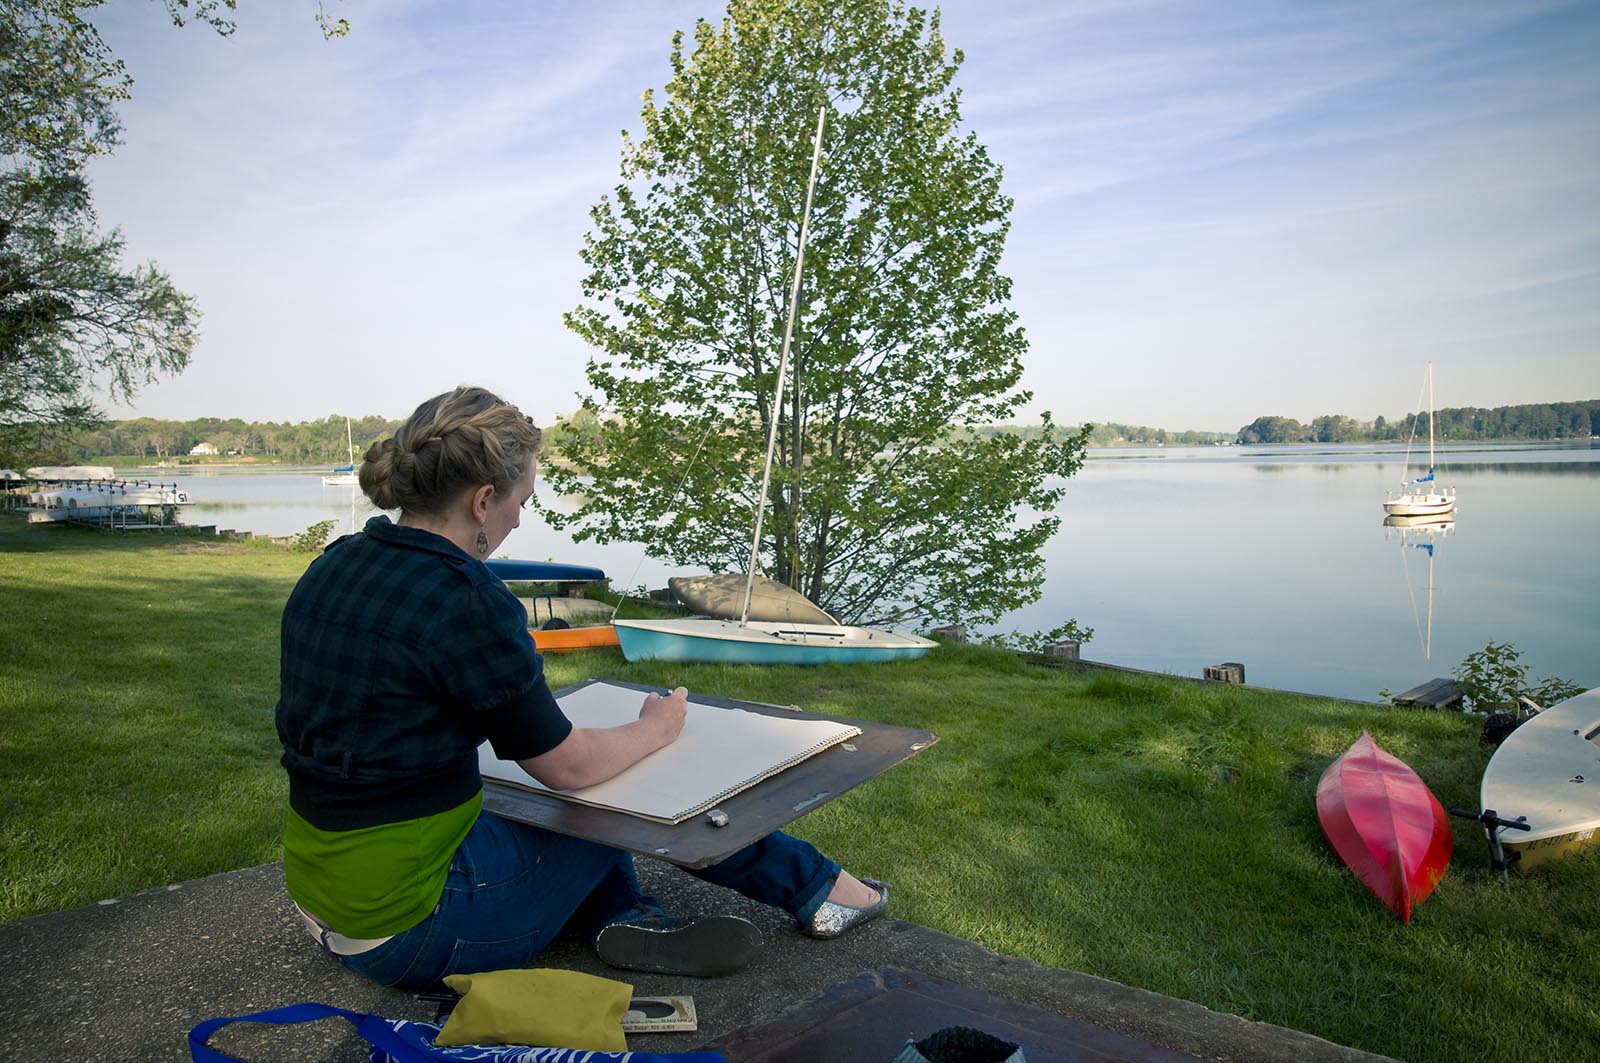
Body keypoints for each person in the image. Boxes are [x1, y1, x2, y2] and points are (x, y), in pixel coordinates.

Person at [275, 385, 887, 989]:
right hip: (417, 926)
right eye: (523, 500)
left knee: (579, 788)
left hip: (328, 893)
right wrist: (654, 729)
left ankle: (624, 916)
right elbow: (566, 769)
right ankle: (822, 890)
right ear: (484, 500)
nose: (520, 517)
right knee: (627, 780)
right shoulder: (465, 598)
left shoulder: (339, 561)